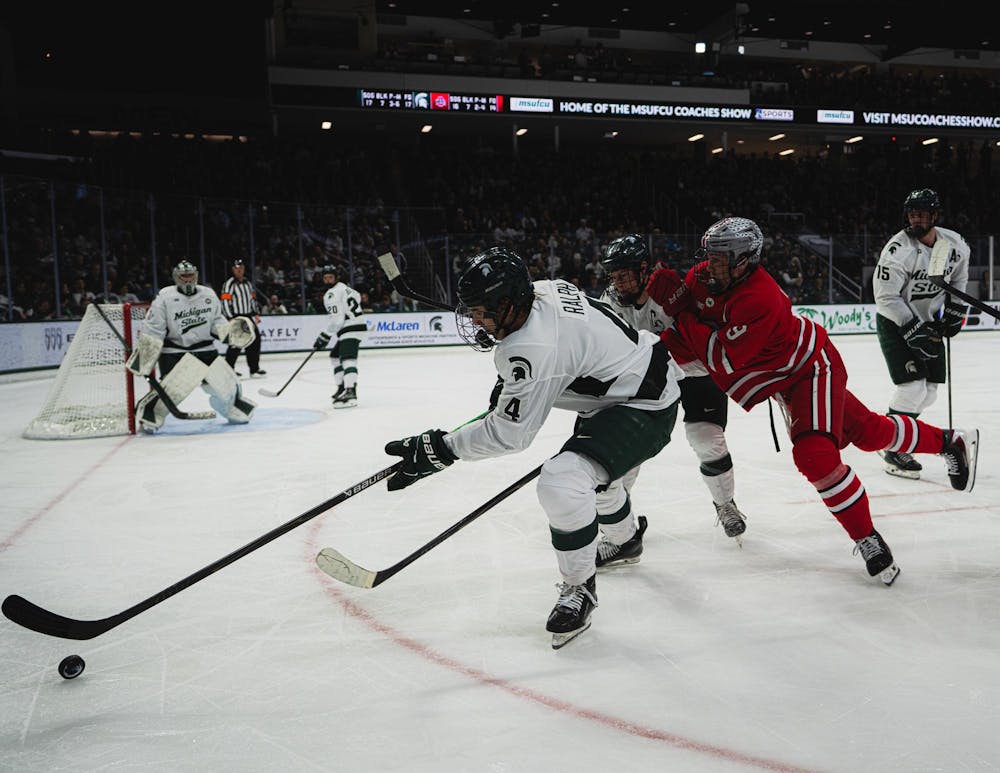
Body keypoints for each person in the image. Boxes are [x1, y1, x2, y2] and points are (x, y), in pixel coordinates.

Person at [382, 247, 684, 649]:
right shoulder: (542, 291)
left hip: (646, 402)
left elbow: (510, 435)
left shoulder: (534, 349)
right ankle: (627, 540)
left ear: (509, 303)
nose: (475, 321)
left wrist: (441, 450)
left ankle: (580, 588)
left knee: (563, 481)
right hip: (625, 384)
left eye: (481, 311)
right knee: (600, 478)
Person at [656, 216, 978, 586]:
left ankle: (867, 537)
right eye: (709, 255)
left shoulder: (760, 298)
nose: (709, 264)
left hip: (810, 368)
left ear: (744, 260)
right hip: (784, 379)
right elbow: (692, 323)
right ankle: (949, 442)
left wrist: (679, 313)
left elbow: (721, 358)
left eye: (720, 257)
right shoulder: (701, 276)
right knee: (871, 433)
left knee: (814, 455)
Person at [601, 234, 748, 543]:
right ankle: (619, 516)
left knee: (706, 437)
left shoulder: (670, 290)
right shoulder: (610, 300)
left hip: (692, 372)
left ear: (643, 270)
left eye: (624, 275)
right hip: (647, 379)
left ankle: (725, 504)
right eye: (614, 276)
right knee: (627, 446)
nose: (618, 284)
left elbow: (700, 336)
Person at [873, 189, 971, 480]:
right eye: (912, 214)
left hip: (928, 320)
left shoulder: (955, 245)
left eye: (922, 214)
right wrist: (910, 326)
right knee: (912, 387)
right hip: (895, 322)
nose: (916, 219)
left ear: (935, 216)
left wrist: (956, 310)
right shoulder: (898, 250)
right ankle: (893, 447)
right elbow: (885, 297)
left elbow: (960, 277)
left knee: (928, 393)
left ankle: (891, 433)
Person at [127, 260, 257, 432]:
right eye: (183, 276)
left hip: (205, 351)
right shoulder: (164, 297)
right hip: (175, 352)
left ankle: (231, 407)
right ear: (176, 278)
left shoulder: (208, 295)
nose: (187, 280)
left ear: (196, 276)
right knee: (174, 390)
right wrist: (146, 355)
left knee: (228, 386)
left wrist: (229, 333)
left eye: (190, 275)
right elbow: (153, 328)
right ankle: (150, 412)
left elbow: (216, 322)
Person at [312, 265, 367, 408]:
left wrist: (324, 336)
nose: (328, 280)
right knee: (335, 356)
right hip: (356, 325)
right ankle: (342, 387)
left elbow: (337, 319)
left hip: (350, 328)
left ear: (336, 277)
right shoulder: (349, 289)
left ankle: (350, 393)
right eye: (325, 278)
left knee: (348, 359)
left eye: (330, 277)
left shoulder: (331, 294)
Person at [220, 258, 265, 378]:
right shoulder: (229, 284)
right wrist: (229, 317)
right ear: (233, 270)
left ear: (244, 269)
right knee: (235, 343)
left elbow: (252, 299)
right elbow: (225, 300)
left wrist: (256, 313)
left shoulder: (247, 283)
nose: (239, 270)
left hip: (248, 316)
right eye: (236, 268)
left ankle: (254, 369)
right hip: (237, 317)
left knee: (255, 341)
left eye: (241, 268)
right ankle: (229, 370)